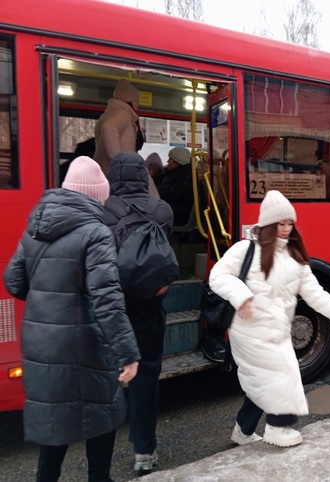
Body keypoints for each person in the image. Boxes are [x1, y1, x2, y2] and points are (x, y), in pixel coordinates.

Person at [3, 156, 140, 482]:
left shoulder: (34, 227)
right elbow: (107, 300)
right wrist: (128, 354)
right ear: (96, 194)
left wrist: (49, 303)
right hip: (85, 344)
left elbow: (13, 281)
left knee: (54, 423)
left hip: (41, 341)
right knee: (101, 417)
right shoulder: (96, 232)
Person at [209, 190, 330, 448]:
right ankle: (278, 427)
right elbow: (218, 275)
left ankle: (244, 431)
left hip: (278, 331)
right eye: (280, 224)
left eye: (290, 223)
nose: (286, 229)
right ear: (267, 225)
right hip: (249, 331)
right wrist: (242, 296)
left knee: (262, 380)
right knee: (283, 375)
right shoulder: (245, 249)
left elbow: (315, 294)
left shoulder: (295, 258)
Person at [103, 152, 174, 475]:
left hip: (113, 307)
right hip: (149, 307)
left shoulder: (101, 212)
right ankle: (144, 452)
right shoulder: (162, 211)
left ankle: (101, 454)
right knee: (146, 377)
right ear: (143, 175)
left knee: (107, 378)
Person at [93, 79, 143, 175]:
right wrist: (119, 160)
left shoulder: (108, 114)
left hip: (107, 170)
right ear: (130, 101)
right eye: (137, 102)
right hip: (117, 173)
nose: (137, 107)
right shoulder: (123, 113)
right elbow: (109, 127)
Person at [157, 146, 194, 227]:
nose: (167, 161)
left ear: (177, 161)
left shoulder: (185, 176)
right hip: (173, 209)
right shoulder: (174, 173)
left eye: (170, 159)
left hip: (178, 213)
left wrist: (157, 198)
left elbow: (175, 195)